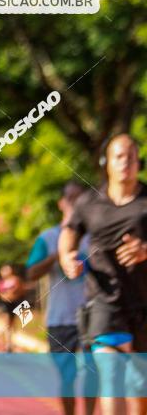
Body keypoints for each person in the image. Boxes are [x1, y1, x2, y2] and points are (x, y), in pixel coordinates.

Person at [60, 134, 147, 415]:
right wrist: (66, 256)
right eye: (119, 156)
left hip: (143, 303)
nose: (126, 163)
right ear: (106, 163)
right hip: (104, 302)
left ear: (139, 162)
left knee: (139, 385)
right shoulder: (89, 203)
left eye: (131, 157)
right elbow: (70, 231)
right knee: (111, 377)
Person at [25, 180, 97, 415]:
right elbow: (31, 273)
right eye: (71, 198)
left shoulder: (95, 236)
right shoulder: (47, 237)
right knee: (67, 377)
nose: (75, 203)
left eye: (80, 198)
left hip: (92, 316)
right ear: (61, 203)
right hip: (59, 319)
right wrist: (57, 256)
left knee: (92, 374)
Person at [0, 264, 27, 353]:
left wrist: (11, 294)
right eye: (3, 270)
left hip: (14, 304)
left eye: (6, 270)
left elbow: (20, 290)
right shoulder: (1, 282)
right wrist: (4, 295)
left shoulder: (16, 280)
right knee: (5, 323)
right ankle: (6, 345)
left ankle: (10, 344)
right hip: (3, 305)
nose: (5, 272)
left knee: (12, 325)